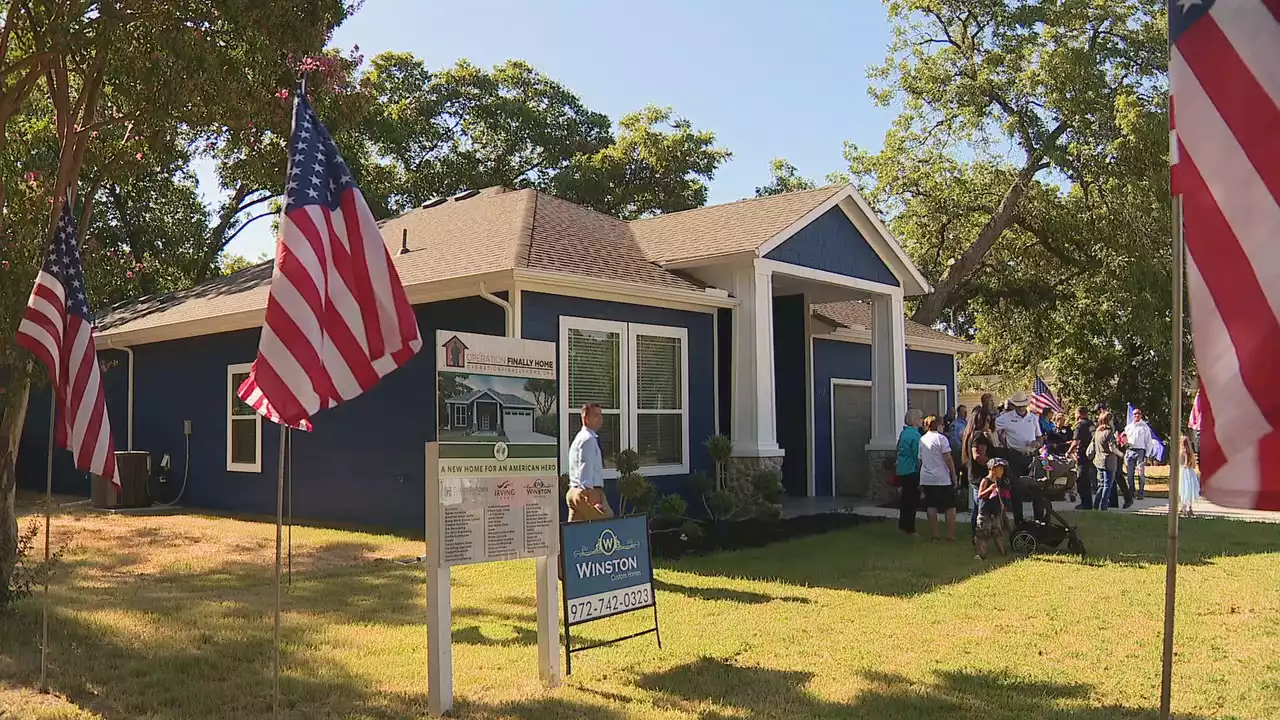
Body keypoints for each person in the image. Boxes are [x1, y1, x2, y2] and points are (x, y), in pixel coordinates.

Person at [995, 391, 1042, 521]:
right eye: (1018, 406)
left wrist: (1037, 443)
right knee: (1016, 489)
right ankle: (1019, 520)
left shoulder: (1033, 417)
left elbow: (1039, 436)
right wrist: (1001, 440)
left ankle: (1039, 519)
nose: (1021, 408)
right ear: (1014, 406)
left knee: (1037, 487)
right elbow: (993, 427)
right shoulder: (1006, 418)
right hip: (1015, 455)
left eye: (1023, 405)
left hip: (1032, 455)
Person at [566, 403, 613, 521]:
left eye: (601, 416)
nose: (600, 419)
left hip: (573, 492)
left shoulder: (579, 438)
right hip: (587, 492)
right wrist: (592, 496)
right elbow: (585, 466)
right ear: (585, 418)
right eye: (596, 415)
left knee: (574, 533)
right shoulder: (589, 439)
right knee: (608, 523)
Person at [918, 415, 958, 541]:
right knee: (950, 506)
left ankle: (935, 534)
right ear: (939, 425)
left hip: (927, 477)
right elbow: (948, 458)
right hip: (942, 477)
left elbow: (920, 459)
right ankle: (950, 535)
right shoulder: (942, 439)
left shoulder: (922, 439)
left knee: (931, 505)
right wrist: (954, 474)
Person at [896, 409, 925, 536]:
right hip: (911, 470)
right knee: (912, 500)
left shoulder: (904, 433)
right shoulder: (916, 436)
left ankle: (902, 525)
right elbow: (917, 455)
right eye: (920, 418)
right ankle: (910, 528)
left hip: (902, 469)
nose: (922, 420)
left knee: (905, 499)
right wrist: (922, 470)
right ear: (915, 420)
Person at [975, 457, 1010, 560]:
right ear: (993, 469)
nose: (1002, 471)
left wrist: (1001, 503)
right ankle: (980, 554)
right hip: (985, 511)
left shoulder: (997, 482)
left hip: (995, 511)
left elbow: (998, 494)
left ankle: (1003, 553)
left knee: (997, 532)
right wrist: (989, 489)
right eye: (1000, 469)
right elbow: (980, 495)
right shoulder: (985, 480)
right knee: (983, 534)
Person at [1091, 411, 1125, 511]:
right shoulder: (1109, 433)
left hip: (1098, 460)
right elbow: (1112, 448)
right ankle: (1103, 506)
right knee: (1107, 485)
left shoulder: (1097, 432)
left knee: (1101, 484)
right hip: (1109, 461)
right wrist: (1120, 454)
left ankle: (1096, 504)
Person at [965, 430, 992, 540]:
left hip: (978, 475)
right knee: (980, 507)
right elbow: (978, 456)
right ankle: (978, 534)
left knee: (979, 506)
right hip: (980, 477)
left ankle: (979, 533)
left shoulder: (973, 434)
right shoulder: (978, 435)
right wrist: (994, 462)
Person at [1068, 406, 1096, 509]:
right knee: (1087, 479)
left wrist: (1069, 452)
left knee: (1081, 480)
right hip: (1091, 455)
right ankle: (1088, 502)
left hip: (1082, 455)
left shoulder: (1080, 425)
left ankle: (1086, 503)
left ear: (1079, 414)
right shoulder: (1091, 424)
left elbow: (1076, 441)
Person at [1124, 408, 1153, 500]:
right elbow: (1124, 440)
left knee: (1141, 474)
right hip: (1130, 451)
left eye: (1138, 414)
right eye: (1135, 414)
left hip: (1140, 451)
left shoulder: (1144, 427)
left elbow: (1148, 442)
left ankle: (1140, 493)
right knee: (1129, 474)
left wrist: (1147, 455)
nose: (1137, 415)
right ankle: (1131, 492)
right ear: (1133, 415)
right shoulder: (1128, 427)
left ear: (1141, 415)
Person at [1179, 435, 1201, 518]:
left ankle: (1184, 508)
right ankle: (1189, 507)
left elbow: (1183, 464)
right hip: (1190, 472)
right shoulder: (1190, 452)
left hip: (1184, 473)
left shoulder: (1182, 452)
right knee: (1189, 491)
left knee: (1184, 490)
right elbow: (1194, 465)